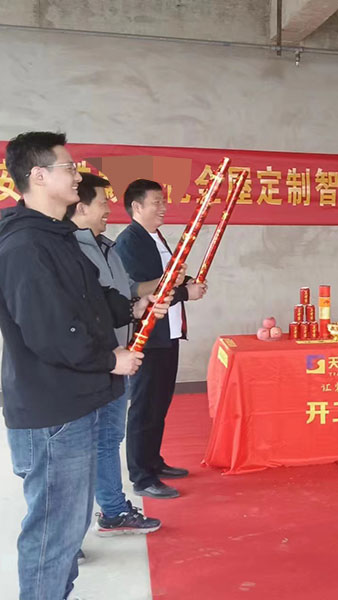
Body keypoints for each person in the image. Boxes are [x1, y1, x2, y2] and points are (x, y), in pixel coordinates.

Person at [0, 131, 165, 600]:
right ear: (38, 176)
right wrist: (109, 358)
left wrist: (133, 308)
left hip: (74, 400)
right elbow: (50, 330)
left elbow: (89, 301)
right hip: (54, 408)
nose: (78, 176)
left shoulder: (58, 238)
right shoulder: (26, 245)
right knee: (54, 533)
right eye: (69, 168)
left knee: (68, 529)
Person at [66, 173, 165, 536]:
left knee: (109, 437)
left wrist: (144, 301)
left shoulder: (107, 247)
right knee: (77, 447)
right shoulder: (69, 250)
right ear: (81, 206)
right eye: (103, 203)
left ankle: (112, 510)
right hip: (91, 362)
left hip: (118, 357)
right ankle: (67, 532)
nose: (110, 209)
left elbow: (126, 294)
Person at [115, 179, 207, 499]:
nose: (163, 207)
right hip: (148, 336)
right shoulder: (130, 241)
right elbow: (144, 289)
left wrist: (190, 282)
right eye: (156, 202)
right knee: (144, 406)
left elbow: (170, 276)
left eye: (163, 201)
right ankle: (141, 476)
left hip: (168, 333)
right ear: (136, 206)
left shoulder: (156, 237)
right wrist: (185, 292)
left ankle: (153, 461)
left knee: (160, 402)